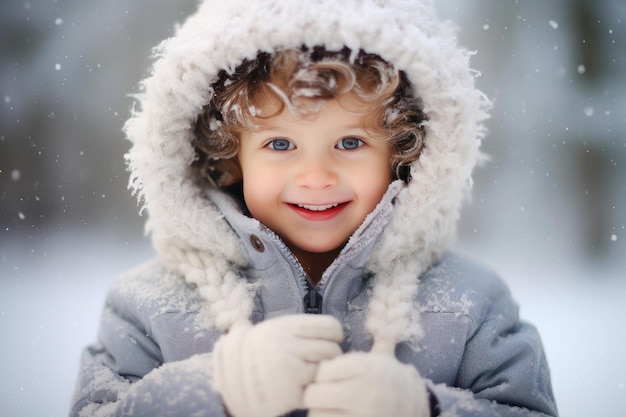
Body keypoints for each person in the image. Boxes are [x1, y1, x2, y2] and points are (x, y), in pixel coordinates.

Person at [70, 1, 558, 416]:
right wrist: (215, 392)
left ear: (405, 153)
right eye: (280, 144)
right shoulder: (149, 306)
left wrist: (425, 407)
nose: (317, 176)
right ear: (230, 156)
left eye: (350, 141)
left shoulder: (469, 306)